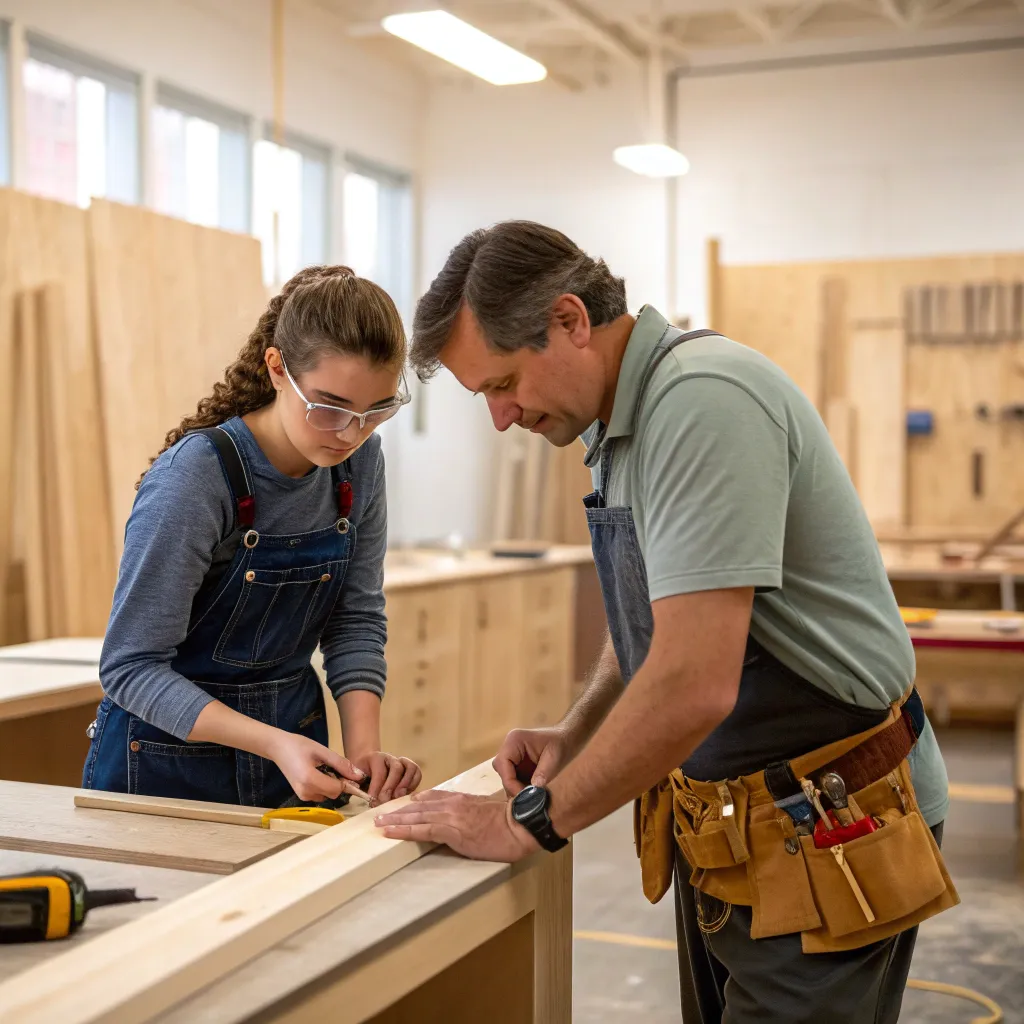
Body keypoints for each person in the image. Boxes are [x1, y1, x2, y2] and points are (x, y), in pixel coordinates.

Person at [376, 222, 956, 1022]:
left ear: (571, 321)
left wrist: (528, 823)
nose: (501, 418)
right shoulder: (624, 425)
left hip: (827, 830)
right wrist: (577, 731)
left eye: (502, 384)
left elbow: (693, 682)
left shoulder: (701, 401)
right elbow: (663, 611)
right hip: (733, 825)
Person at [84, 265, 422, 810]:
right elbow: (131, 667)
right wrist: (272, 744)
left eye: (375, 411)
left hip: (293, 755)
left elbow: (355, 619)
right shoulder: (196, 477)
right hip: (166, 770)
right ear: (276, 369)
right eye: (331, 407)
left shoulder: (359, 467)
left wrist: (364, 759)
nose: (351, 433)